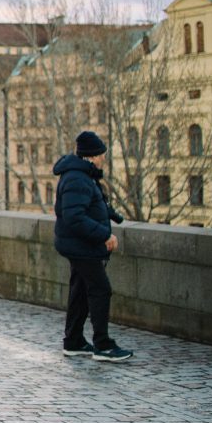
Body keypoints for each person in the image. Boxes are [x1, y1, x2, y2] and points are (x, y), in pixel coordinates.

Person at [53, 131, 133, 362]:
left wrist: (115, 217)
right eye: (101, 155)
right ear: (92, 156)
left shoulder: (82, 175)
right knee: (100, 289)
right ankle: (103, 344)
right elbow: (74, 217)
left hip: (77, 244)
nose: (103, 160)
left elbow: (93, 203)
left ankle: (74, 341)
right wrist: (104, 235)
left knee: (80, 292)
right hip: (80, 245)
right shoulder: (78, 178)